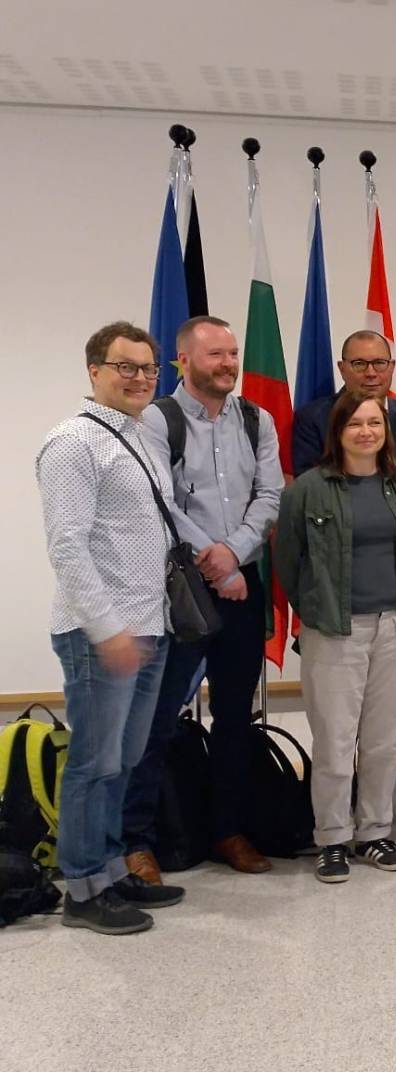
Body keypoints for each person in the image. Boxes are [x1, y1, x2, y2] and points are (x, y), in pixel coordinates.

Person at [37, 321, 185, 933]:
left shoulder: (144, 436)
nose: (141, 378)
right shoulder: (72, 443)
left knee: (123, 761)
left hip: (149, 626)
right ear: (94, 370)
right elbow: (68, 548)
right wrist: (108, 631)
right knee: (93, 764)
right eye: (127, 367)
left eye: (149, 368)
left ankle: (112, 869)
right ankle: (81, 889)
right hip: (102, 635)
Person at [125, 316, 283, 882]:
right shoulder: (154, 421)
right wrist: (213, 561)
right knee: (158, 716)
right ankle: (137, 841)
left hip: (241, 584)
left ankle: (228, 830)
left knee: (237, 716)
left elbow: (271, 494)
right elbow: (158, 502)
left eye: (233, 353)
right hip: (179, 590)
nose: (228, 364)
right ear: (183, 360)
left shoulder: (254, 419)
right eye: (215, 354)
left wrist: (234, 554)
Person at [277, 391, 396, 883]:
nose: (366, 432)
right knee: (336, 744)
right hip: (335, 630)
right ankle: (333, 839)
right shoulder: (308, 491)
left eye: (375, 423)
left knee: (383, 741)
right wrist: (316, 609)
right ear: (337, 432)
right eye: (355, 424)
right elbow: (289, 563)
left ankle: (375, 833)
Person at [291, 330, 396, 478]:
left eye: (379, 363)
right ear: (342, 368)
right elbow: (309, 486)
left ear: (391, 367)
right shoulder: (313, 418)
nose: (371, 373)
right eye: (359, 364)